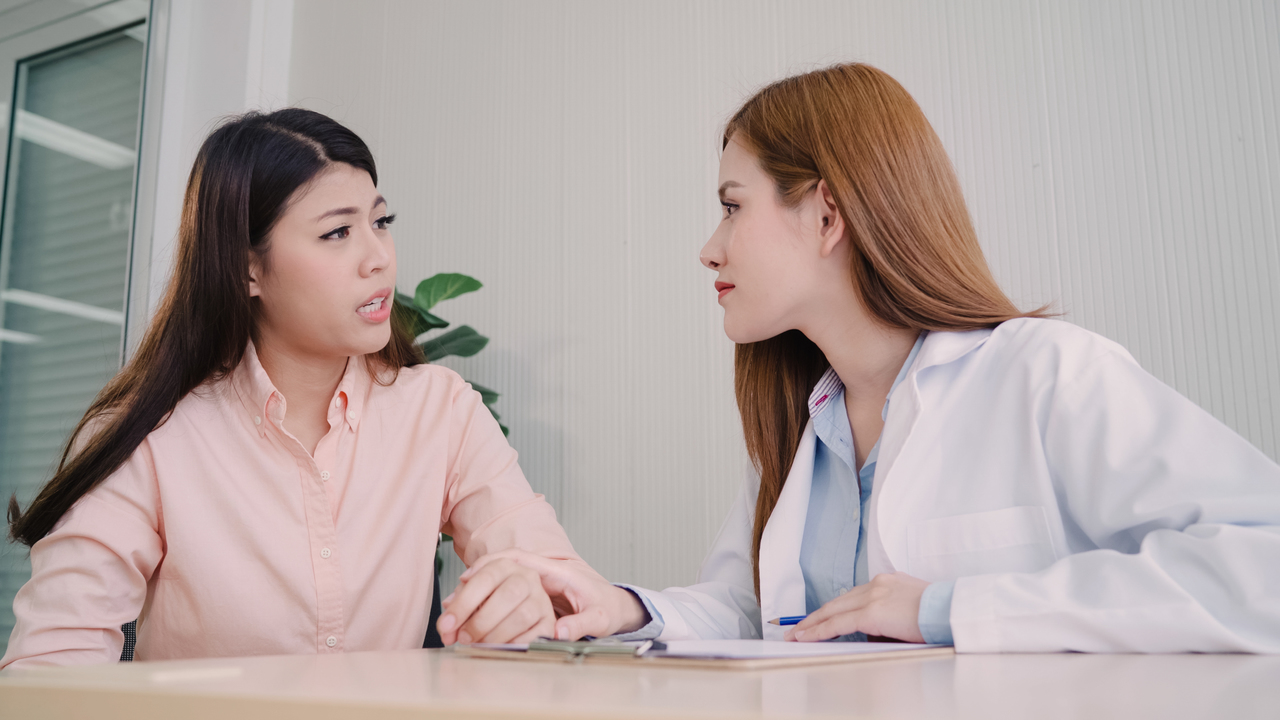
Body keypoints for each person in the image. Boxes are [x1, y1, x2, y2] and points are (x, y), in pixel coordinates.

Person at [467, 63, 1280, 653]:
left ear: (826, 214)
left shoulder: (1044, 374)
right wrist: (622, 607)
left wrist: (949, 609)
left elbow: (1262, 566)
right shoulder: (799, 419)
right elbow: (752, 617)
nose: (708, 249)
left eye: (731, 207)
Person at [2, 109, 593, 669]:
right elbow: (50, 669)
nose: (379, 258)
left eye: (380, 222)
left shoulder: (441, 410)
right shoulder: (149, 436)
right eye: (338, 232)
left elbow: (561, 587)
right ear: (247, 269)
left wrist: (529, 595)